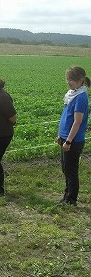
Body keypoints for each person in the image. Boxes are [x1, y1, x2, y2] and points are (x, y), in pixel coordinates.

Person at [57, 66, 90, 206]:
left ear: (81, 80)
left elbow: (77, 122)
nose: (69, 82)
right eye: (68, 79)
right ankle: (66, 196)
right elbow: (66, 117)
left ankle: (71, 200)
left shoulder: (81, 97)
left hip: (73, 140)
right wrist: (61, 135)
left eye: (72, 79)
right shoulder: (72, 94)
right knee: (66, 168)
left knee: (71, 170)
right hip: (66, 138)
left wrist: (69, 141)